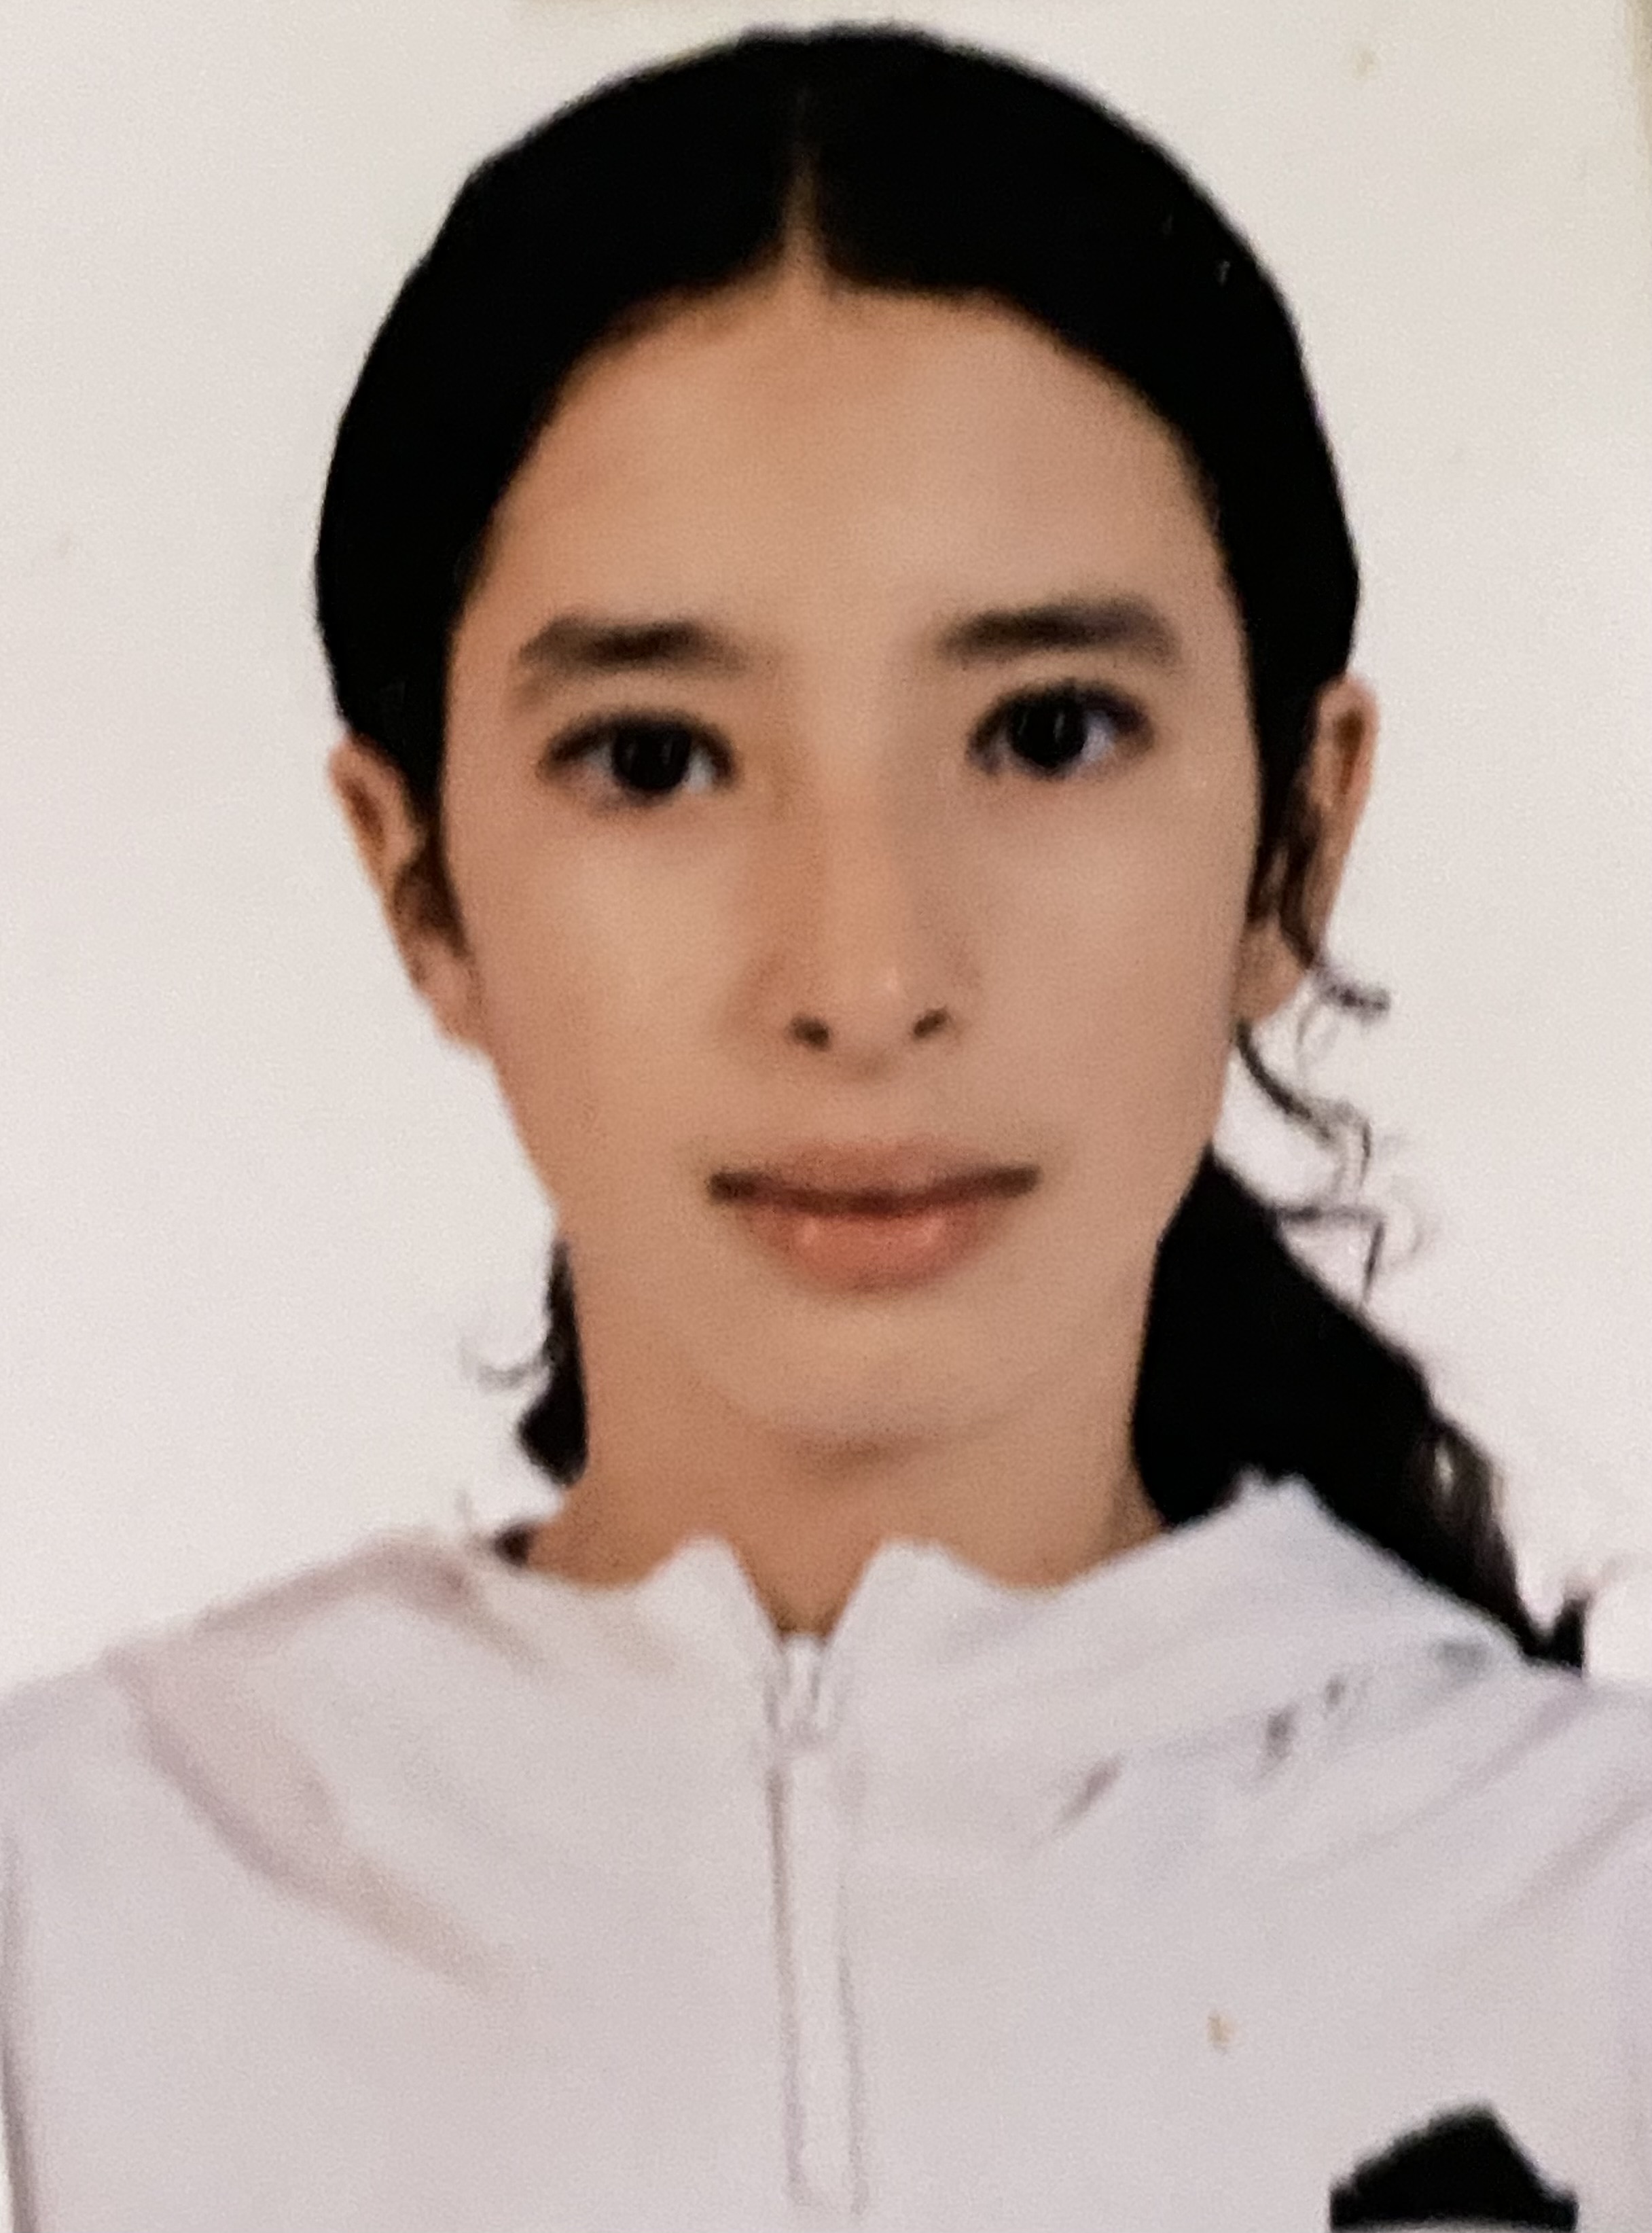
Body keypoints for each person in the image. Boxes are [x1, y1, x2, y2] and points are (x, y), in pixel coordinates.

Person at [1, 23, 1646, 2232]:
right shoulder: (67, 1925)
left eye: (1048, 732)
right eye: (655, 759)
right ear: (421, 882)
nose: (866, 979)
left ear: (1297, 840)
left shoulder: (1606, 1923)